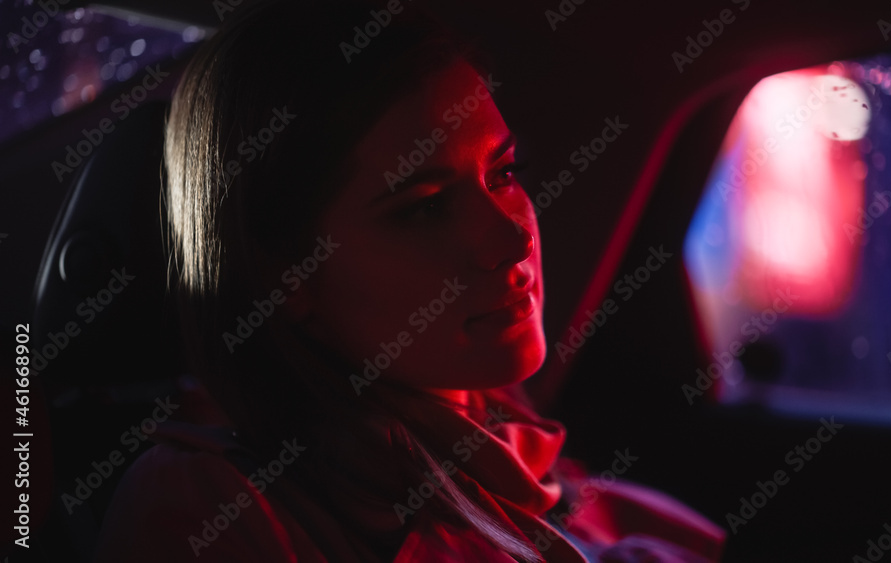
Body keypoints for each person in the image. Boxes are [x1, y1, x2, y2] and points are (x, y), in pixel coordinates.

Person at [94, 0, 725, 560]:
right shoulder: (211, 506)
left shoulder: (508, 455)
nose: (512, 239)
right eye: (423, 206)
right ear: (282, 274)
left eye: (503, 174)